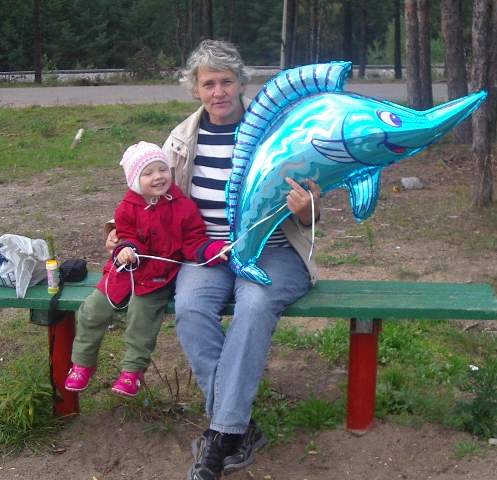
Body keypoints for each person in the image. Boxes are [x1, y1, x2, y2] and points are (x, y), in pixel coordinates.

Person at [106, 40, 321, 480]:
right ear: (196, 90)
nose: (219, 91)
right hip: (202, 250)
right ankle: (237, 428)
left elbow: (312, 213)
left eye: (226, 81)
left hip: (273, 250)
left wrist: (307, 209)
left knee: (254, 305)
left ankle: (221, 434)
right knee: (189, 306)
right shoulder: (181, 141)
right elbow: (148, 198)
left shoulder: (277, 133)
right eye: (208, 84)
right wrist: (120, 232)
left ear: (242, 84)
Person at [66, 141, 228, 398]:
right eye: (148, 173)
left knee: (141, 318)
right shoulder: (127, 207)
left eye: (162, 169)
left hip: (157, 277)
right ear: (134, 180)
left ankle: (133, 370)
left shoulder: (183, 206)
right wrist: (125, 249)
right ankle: (82, 363)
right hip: (124, 273)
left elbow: (193, 239)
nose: (158, 177)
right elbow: (126, 235)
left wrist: (211, 250)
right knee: (92, 310)